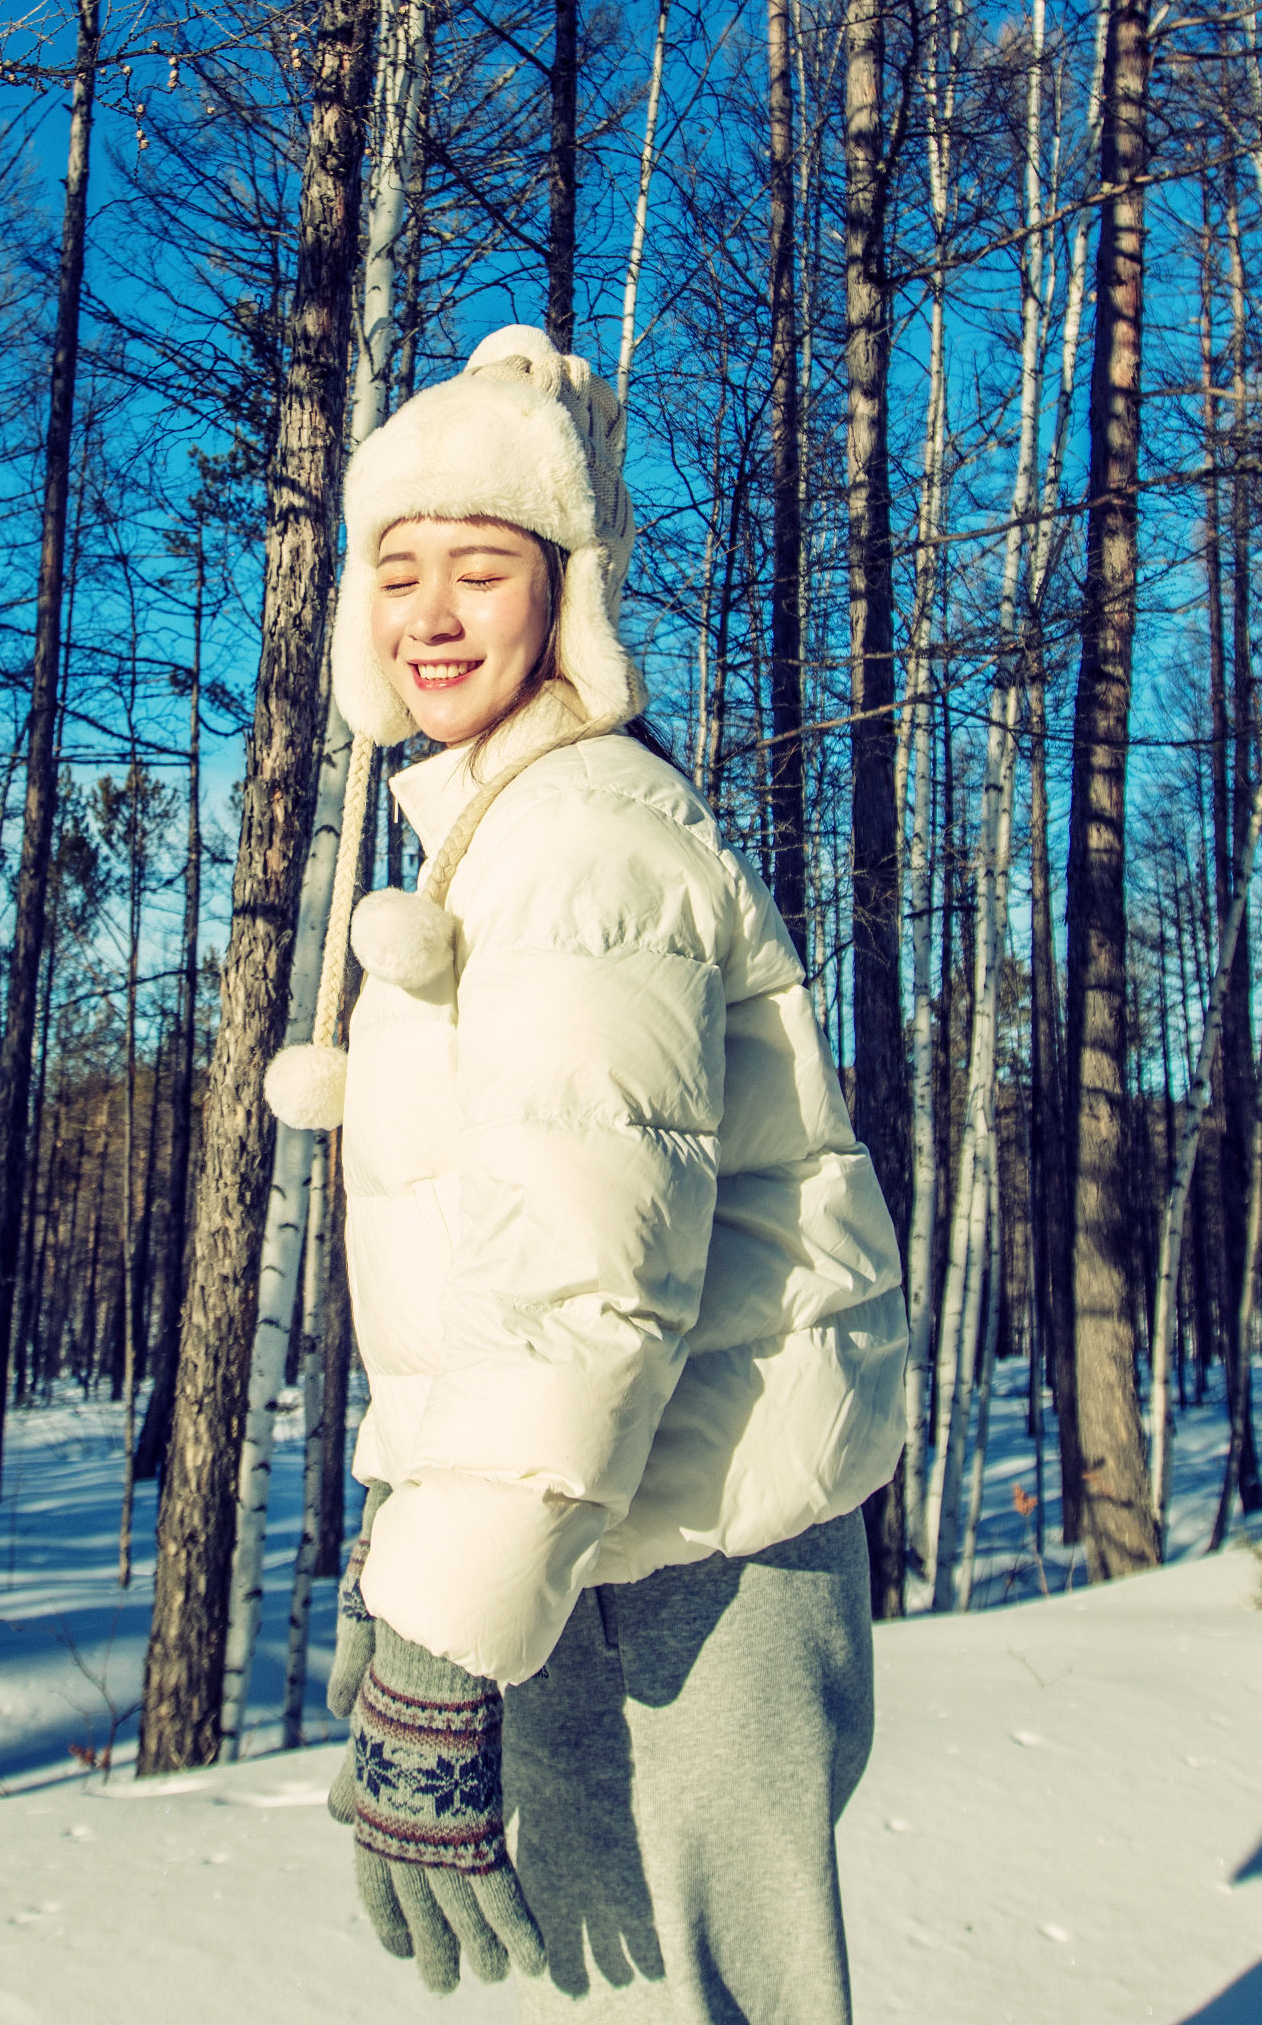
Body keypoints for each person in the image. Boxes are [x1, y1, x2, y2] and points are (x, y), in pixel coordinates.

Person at [270, 326, 912, 2019]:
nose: (430, 613)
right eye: (396, 571)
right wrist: (413, 1547)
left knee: (707, 1996)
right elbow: (493, 1264)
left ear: (568, 598)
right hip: (599, 1524)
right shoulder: (495, 829)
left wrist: (438, 1628)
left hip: (689, 1548)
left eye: (481, 569)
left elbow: (585, 1281)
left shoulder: (576, 844)